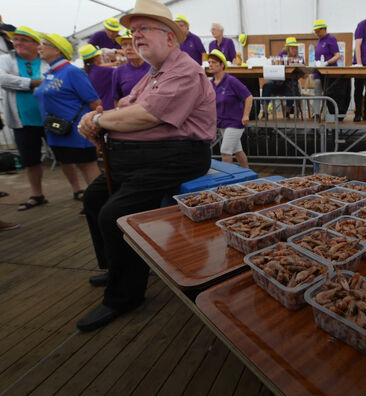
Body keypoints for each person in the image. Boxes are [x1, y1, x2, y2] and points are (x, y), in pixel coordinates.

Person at [75, 0, 215, 331]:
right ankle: (116, 265)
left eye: (143, 29)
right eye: (132, 30)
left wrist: (97, 118)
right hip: (137, 157)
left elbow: (145, 115)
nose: (135, 36)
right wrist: (101, 120)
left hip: (177, 156)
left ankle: (124, 296)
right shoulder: (153, 72)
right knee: (93, 200)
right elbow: (127, 104)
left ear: (170, 38)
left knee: (115, 214)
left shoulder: (185, 70)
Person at [34, 33, 102, 207]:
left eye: (44, 44)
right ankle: (86, 197)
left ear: (57, 50)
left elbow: (95, 102)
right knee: (68, 162)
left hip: (77, 131)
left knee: (87, 166)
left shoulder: (71, 71)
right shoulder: (50, 73)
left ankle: (99, 204)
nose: (39, 47)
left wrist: (98, 130)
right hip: (57, 131)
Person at [0, 26, 49, 211]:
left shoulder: (46, 60)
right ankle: (37, 195)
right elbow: (3, 79)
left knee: (67, 157)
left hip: (51, 118)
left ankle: (79, 190)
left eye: (23, 39)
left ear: (36, 45)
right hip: (23, 120)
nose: (17, 43)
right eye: (16, 39)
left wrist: (18, 80)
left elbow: (54, 81)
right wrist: (35, 82)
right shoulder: (5, 59)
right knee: (30, 160)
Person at [209, 49, 251, 167]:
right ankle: (247, 173)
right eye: (209, 62)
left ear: (222, 65)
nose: (210, 65)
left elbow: (248, 96)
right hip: (222, 122)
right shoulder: (211, 83)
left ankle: (227, 182)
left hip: (235, 122)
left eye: (214, 62)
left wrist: (246, 114)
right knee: (238, 150)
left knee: (225, 151)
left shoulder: (231, 81)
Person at [261, 37, 300, 119]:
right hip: (277, 82)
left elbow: (303, 75)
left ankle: (287, 114)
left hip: (290, 83)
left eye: (296, 48)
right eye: (292, 48)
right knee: (266, 86)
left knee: (292, 90)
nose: (295, 50)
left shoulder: (299, 59)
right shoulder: (281, 55)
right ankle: (265, 112)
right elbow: (276, 68)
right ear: (288, 49)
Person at [111, 30, 150, 106]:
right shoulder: (118, 72)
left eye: (132, 44)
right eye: (124, 44)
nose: (128, 48)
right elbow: (117, 101)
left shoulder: (155, 66)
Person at [312, 19, 341, 117]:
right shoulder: (319, 41)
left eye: (318, 31)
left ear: (324, 29)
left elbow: (337, 55)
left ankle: (330, 114)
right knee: (317, 90)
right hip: (319, 72)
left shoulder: (331, 39)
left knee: (329, 93)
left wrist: (327, 63)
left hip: (329, 72)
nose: (317, 34)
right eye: (316, 32)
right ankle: (316, 113)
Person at [80, 44, 115, 111]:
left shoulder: (86, 72)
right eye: (99, 55)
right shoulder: (104, 71)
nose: (101, 57)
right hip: (111, 107)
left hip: (101, 109)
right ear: (95, 57)